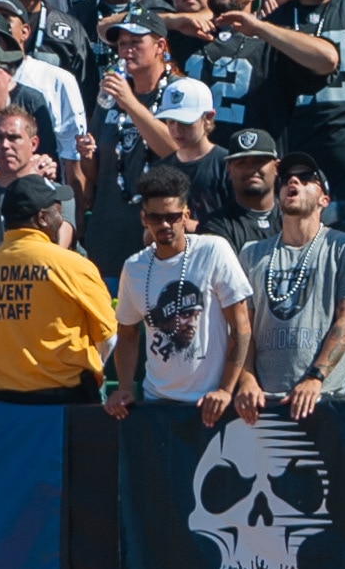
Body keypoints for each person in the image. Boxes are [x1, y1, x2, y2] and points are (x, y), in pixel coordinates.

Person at [233, 153, 345, 420]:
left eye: (306, 178)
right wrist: (246, 379)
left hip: (329, 398)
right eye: (287, 178)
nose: (293, 181)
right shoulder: (251, 253)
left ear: (325, 199)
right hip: (264, 402)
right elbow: (242, 326)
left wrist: (315, 377)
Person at [107, 167, 253, 426]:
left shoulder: (213, 250)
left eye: (172, 216)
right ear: (144, 218)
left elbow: (241, 326)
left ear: (186, 215)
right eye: (155, 217)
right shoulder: (134, 267)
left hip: (210, 403)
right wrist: (125, 387)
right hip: (157, 403)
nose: (164, 224)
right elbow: (127, 333)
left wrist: (225, 389)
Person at [0, 175, 116, 402]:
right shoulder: (73, 266)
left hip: (1, 402)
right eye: (58, 211)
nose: (60, 219)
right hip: (66, 400)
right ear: (42, 218)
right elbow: (108, 335)